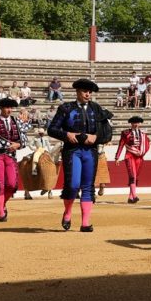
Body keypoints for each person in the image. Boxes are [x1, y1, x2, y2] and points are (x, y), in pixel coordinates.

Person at [48, 79, 113, 233]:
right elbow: (52, 129)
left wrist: (96, 137)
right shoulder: (66, 108)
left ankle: (85, 223)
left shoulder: (96, 108)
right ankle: (68, 213)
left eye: (90, 92)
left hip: (90, 151)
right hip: (72, 150)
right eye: (85, 91)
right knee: (73, 184)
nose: (88, 94)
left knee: (88, 186)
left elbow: (107, 132)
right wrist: (66, 134)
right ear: (77, 92)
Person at [115, 116, 150, 204]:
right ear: (131, 124)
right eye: (134, 123)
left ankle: (130, 197)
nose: (136, 124)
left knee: (135, 177)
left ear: (140, 124)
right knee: (132, 176)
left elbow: (147, 144)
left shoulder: (143, 133)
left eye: (137, 123)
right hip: (129, 156)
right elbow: (121, 144)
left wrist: (142, 153)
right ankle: (134, 196)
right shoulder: (125, 133)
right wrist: (117, 157)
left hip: (140, 157)